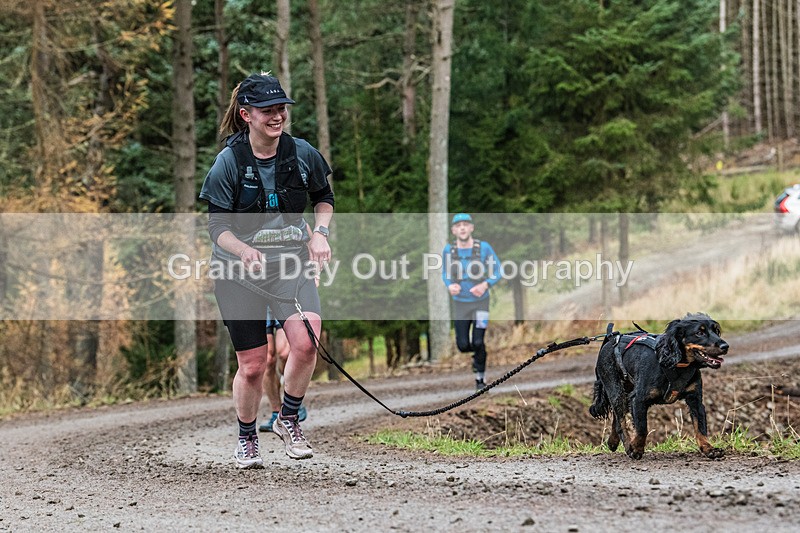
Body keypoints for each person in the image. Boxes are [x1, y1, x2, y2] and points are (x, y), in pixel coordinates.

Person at [199, 73, 333, 468]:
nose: (278, 117)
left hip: (290, 265)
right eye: (268, 110)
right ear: (246, 115)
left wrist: (319, 234)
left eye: (282, 109)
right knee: (254, 366)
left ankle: (288, 418)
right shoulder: (229, 163)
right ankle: (246, 438)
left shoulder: (301, 153)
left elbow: (323, 198)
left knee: (307, 341)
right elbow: (216, 228)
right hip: (238, 274)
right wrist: (243, 251)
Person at [441, 213, 501, 390]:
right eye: (458, 225)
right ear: (453, 230)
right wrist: (449, 285)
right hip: (461, 303)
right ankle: (476, 356)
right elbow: (445, 273)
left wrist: (485, 284)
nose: (462, 228)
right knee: (462, 345)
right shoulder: (449, 251)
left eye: (466, 224)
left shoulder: (484, 248)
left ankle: (480, 380)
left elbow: (498, 271)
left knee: (478, 342)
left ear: (471, 228)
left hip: (481, 302)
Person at [259, 308, 308, 433]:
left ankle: (292, 399)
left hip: (279, 296)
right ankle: (276, 413)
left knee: (284, 353)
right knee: (268, 359)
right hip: (258, 301)